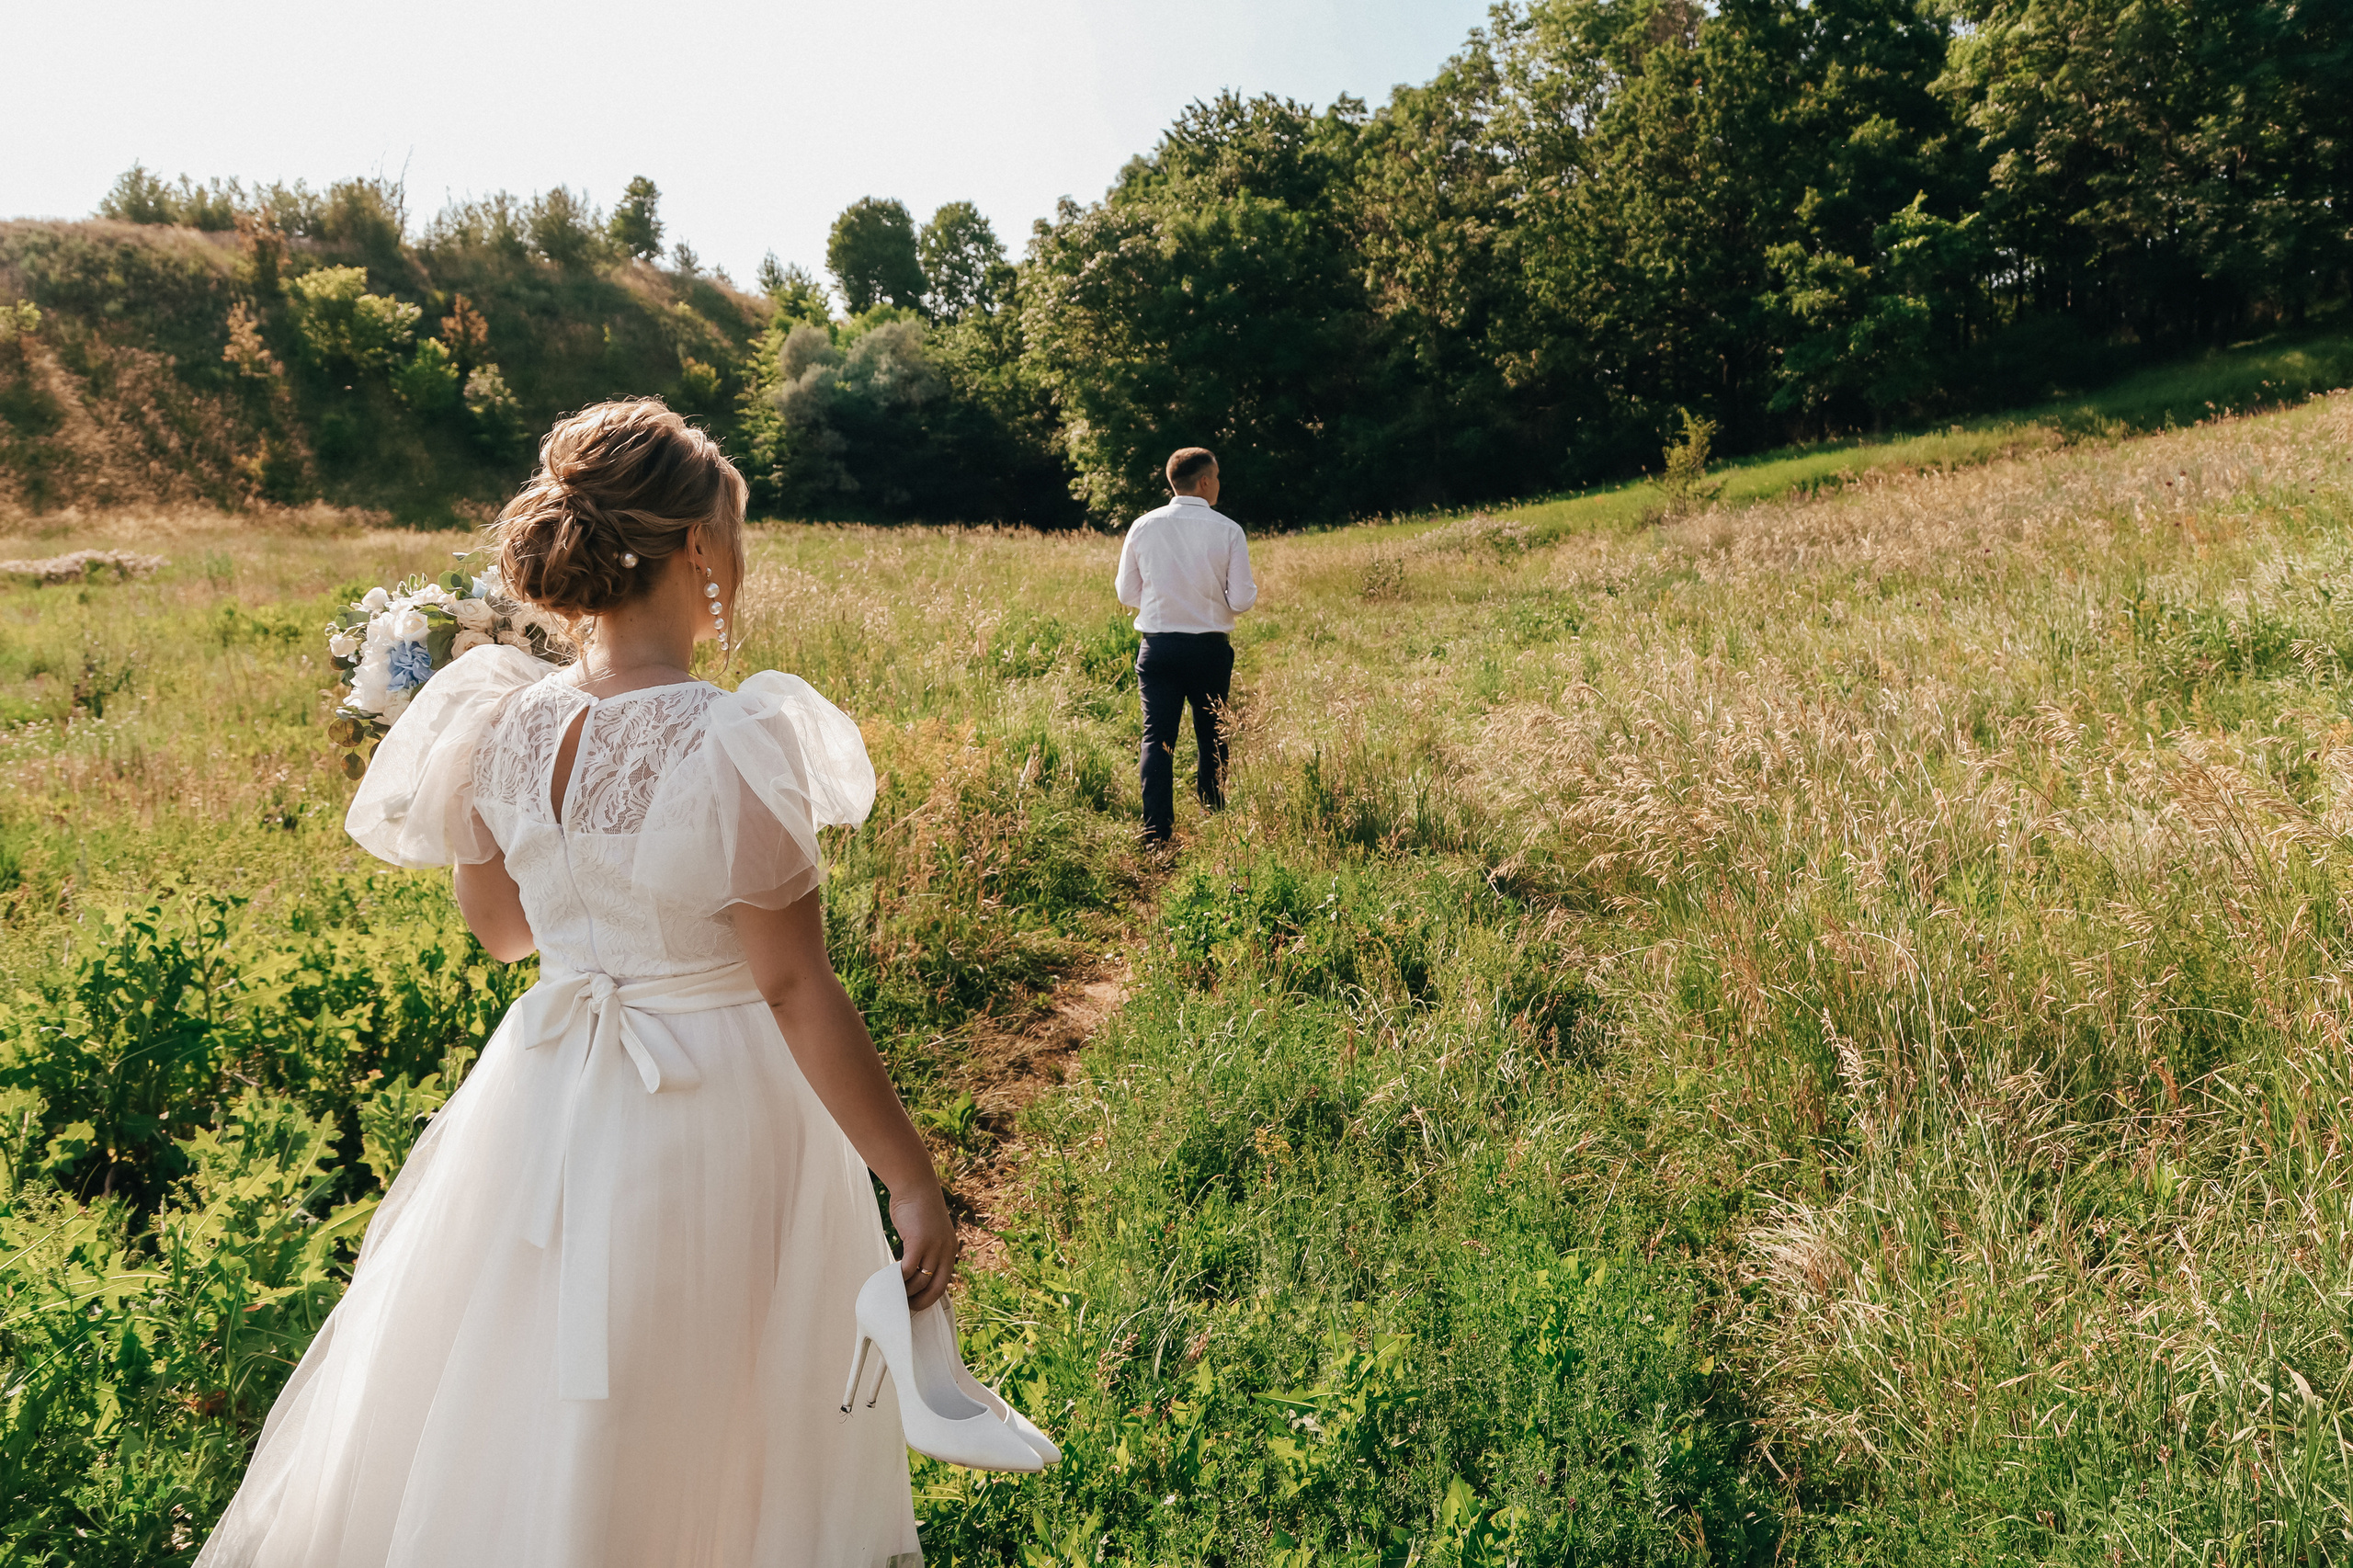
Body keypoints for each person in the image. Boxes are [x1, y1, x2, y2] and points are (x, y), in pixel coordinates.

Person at [198, 400, 948, 1568]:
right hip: (714, 1101)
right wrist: (909, 1177)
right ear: (699, 549)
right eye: (733, 535)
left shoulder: (498, 721)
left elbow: (499, 931)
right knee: (713, 1386)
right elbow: (797, 986)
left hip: (545, 1089)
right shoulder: (731, 734)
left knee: (526, 1380)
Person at [1114, 446, 1257, 845]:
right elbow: (1242, 600)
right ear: (1206, 481)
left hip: (1158, 648)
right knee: (1212, 732)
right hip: (1209, 649)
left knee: (1156, 738)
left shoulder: (1143, 526)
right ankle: (1214, 811)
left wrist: (1165, 599)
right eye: (1217, 477)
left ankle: (1156, 831)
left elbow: (1127, 592)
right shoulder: (1228, 530)